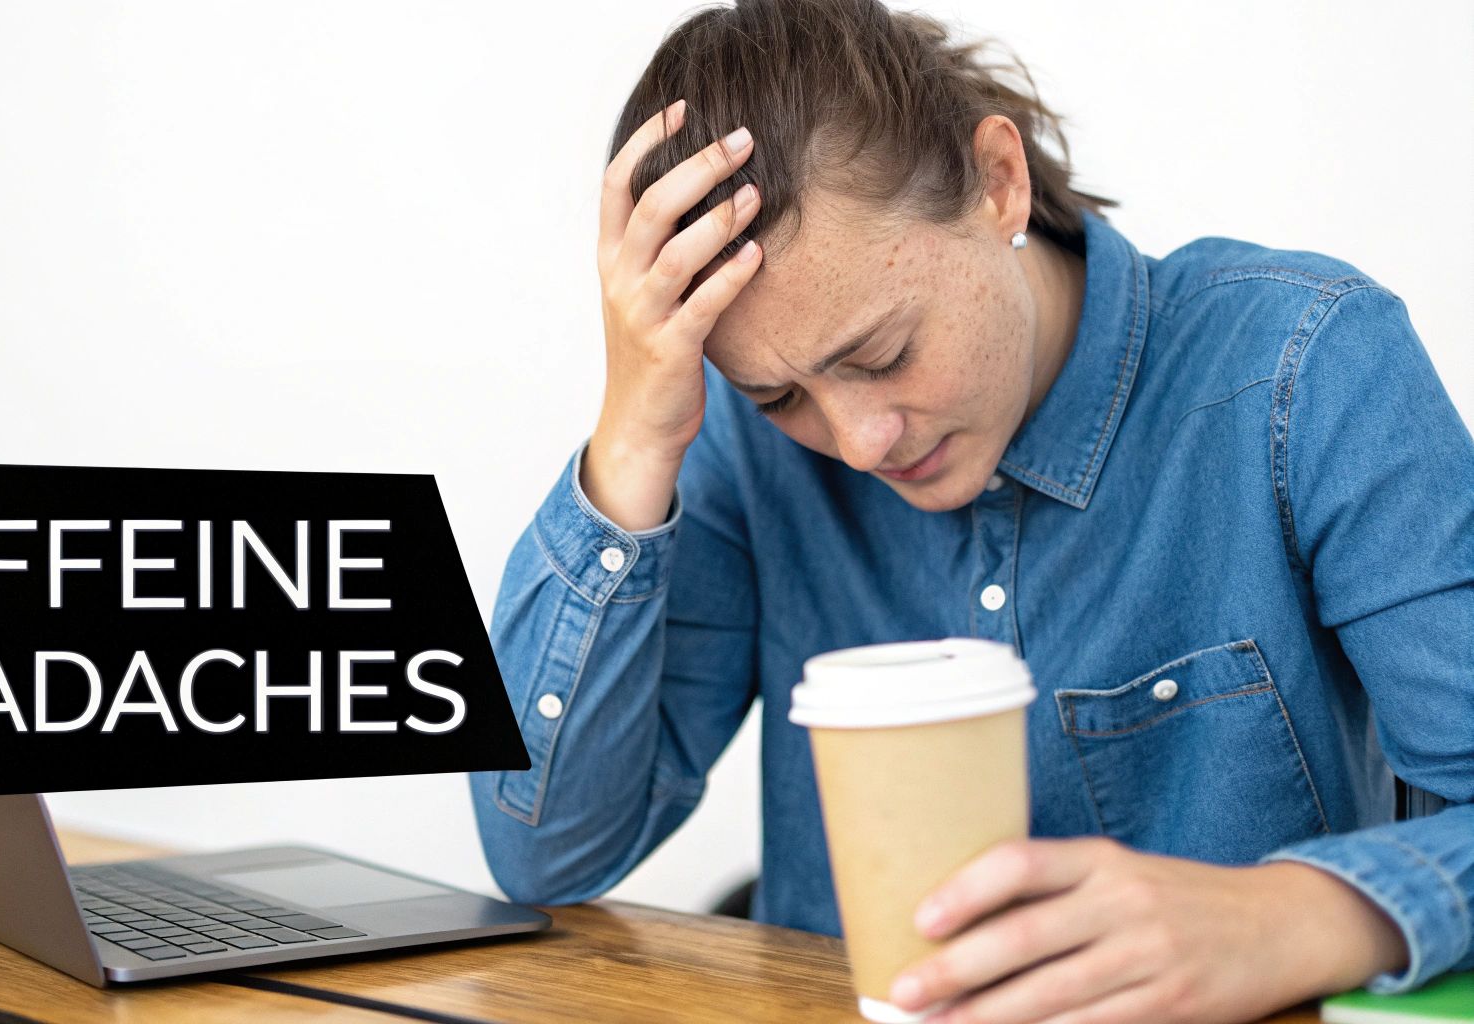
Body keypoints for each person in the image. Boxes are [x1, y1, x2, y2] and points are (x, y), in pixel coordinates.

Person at [468, 1, 1474, 1021]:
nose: (859, 441)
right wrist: (633, 440)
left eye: (880, 354)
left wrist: (1281, 916)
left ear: (998, 182)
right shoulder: (736, 445)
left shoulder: (1300, 373)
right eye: (781, 397)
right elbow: (544, 851)